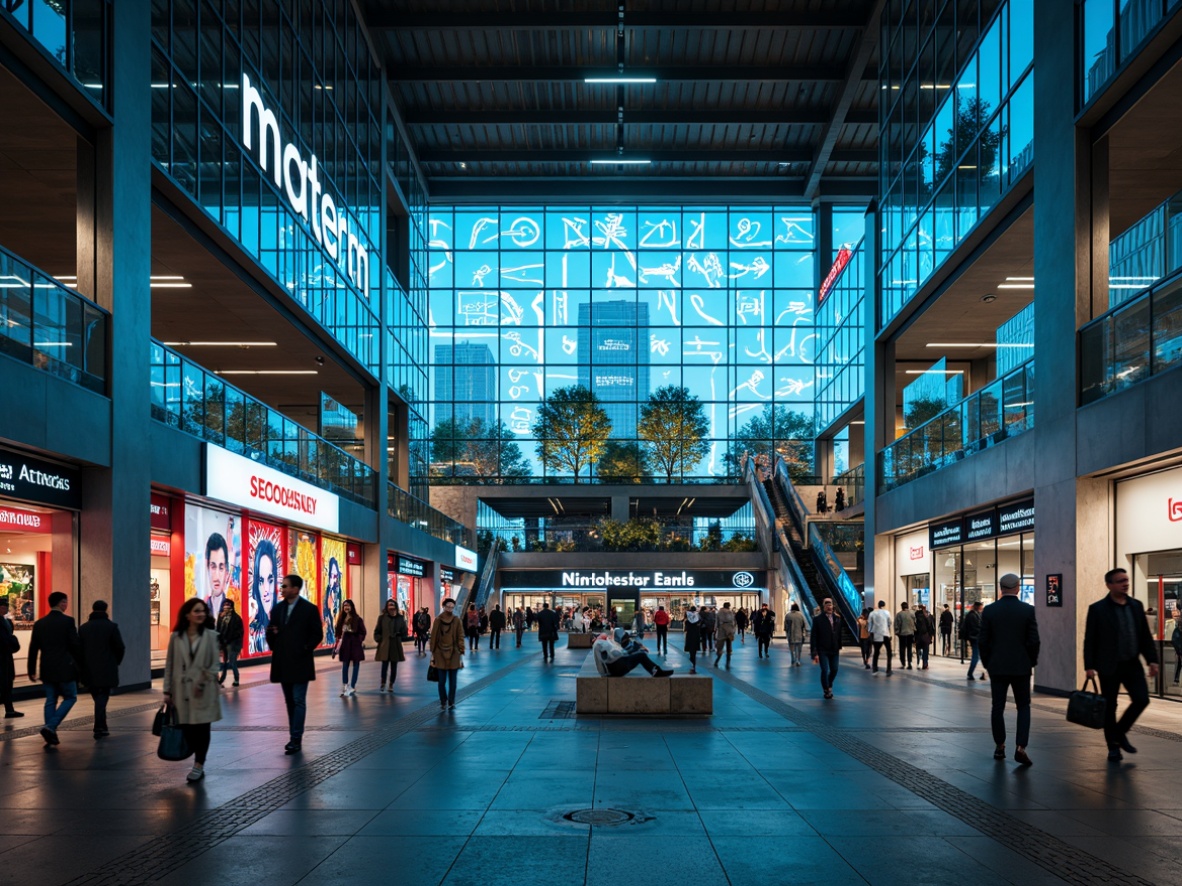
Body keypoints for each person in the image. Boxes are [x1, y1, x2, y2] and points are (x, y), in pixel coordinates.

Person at [1084, 568, 1160, 762]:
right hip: (1109, 665)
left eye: (1126, 580)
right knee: (1110, 706)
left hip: (1132, 664)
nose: (1125, 583)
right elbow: (1090, 639)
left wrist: (1152, 660)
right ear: (1109, 585)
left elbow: (1144, 637)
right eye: (1120, 581)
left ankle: (1119, 732)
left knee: (1142, 699)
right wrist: (1089, 666)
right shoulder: (1098, 609)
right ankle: (1113, 748)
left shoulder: (1136, 606)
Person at [979, 573, 1039, 766]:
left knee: (998, 707)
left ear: (1000, 588)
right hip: (1021, 667)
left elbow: (983, 641)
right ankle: (1021, 747)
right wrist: (1030, 661)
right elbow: (1034, 641)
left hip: (997, 667)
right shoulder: (1027, 610)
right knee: (1023, 706)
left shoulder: (989, 610)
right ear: (1018, 588)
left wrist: (988, 663)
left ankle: (1000, 746)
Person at [162, 598, 221, 782]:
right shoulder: (176, 637)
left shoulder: (211, 636)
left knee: (202, 729)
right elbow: (170, 664)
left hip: (204, 691)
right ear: (187, 614)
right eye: (197, 611)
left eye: (203, 611)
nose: (201, 614)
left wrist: (203, 680)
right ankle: (196, 758)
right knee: (187, 727)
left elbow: (214, 665)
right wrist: (167, 690)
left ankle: (198, 765)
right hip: (182, 691)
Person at [267, 573, 323, 755]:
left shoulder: (309, 609)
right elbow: (271, 631)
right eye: (282, 586)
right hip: (283, 661)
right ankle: (294, 735)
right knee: (290, 700)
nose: (282, 589)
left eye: (285, 586)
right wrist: (273, 639)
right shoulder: (277, 609)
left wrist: (305, 648)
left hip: (300, 661)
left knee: (298, 700)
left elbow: (317, 634)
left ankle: (295, 739)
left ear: (295, 589)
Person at [26, 591, 80, 746]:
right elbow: (75, 645)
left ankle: (50, 733)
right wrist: (81, 664)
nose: (66, 604)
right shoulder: (68, 621)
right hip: (64, 667)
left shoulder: (40, 623)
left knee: (51, 699)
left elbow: (33, 648)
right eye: (65, 601)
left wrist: (31, 670)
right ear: (61, 603)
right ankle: (50, 726)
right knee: (70, 697)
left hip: (46, 668)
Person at [77, 600, 125, 739]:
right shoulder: (111, 627)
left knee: (97, 696)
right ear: (106, 610)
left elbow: (79, 649)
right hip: (106, 667)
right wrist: (115, 662)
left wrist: (81, 665)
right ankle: (99, 727)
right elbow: (120, 647)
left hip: (88, 668)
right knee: (102, 696)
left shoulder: (83, 628)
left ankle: (101, 726)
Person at [429, 598, 464, 708]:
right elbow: (433, 637)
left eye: (451, 607)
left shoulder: (454, 620)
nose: (449, 609)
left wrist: (461, 651)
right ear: (443, 607)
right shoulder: (439, 620)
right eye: (448, 607)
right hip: (442, 654)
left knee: (450, 681)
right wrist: (433, 654)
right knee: (443, 681)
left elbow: (460, 637)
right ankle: (445, 701)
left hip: (451, 653)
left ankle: (449, 701)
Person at [591, 632, 673, 677]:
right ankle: (657, 672)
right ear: (596, 638)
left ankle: (657, 671)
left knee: (640, 655)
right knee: (641, 655)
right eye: (600, 634)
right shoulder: (600, 643)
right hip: (617, 667)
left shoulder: (600, 644)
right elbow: (614, 654)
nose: (603, 633)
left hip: (616, 666)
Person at [248, 539, 279, 654]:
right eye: (261, 581)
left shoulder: (281, 617)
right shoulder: (254, 626)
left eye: (270, 580)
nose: (266, 590)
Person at [810, 597, 843, 699]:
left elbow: (839, 634)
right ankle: (826, 689)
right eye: (827, 604)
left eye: (830, 604)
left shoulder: (837, 618)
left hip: (834, 649)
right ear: (823, 606)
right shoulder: (817, 620)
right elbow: (814, 636)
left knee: (834, 669)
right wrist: (814, 653)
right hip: (822, 649)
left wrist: (839, 645)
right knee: (824, 670)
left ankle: (829, 683)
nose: (829, 606)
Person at [334, 599, 367, 697]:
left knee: (356, 664)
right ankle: (345, 685)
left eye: (348, 606)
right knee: (345, 665)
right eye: (344, 606)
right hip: (345, 645)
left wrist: (358, 640)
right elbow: (338, 631)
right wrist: (338, 640)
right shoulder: (341, 619)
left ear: (352, 607)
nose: (346, 608)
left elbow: (363, 632)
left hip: (355, 645)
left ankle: (352, 685)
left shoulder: (357, 619)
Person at [374, 599, 407, 692]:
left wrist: (400, 634)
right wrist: (379, 639)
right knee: (384, 665)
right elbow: (377, 631)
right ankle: (383, 682)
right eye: (389, 605)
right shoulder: (382, 618)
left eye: (393, 605)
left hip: (395, 645)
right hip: (385, 645)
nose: (391, 607)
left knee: (394, 666)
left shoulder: (400, 618)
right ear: (387, 607)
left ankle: (391, 684)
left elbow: (404, 631)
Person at [0, 598, 21, 718]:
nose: (5, 608)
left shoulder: (7, 621)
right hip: (2, 656)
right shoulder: (3, 622)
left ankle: (10, 709)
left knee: (7, 682)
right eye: (3, 606)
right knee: (4, 682)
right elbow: (6, 639)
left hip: (6, 656)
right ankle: (9, 709)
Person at [216, 599, 244, 686]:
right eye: (224, 605)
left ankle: (236, 679)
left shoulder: (236, 618)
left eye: (228, 605)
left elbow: (239, 632)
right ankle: (221, 680)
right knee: (224, 663)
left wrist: (230, 639)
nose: (226, 607)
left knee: (232, 662)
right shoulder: (221, 617)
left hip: (233, 644)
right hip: (224, 643)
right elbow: (218, 630)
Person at [203, 532, 231, 616]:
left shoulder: (232, 612)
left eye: (221, 568)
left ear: (226, 571)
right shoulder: (201, 611)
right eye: (213, 567)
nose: (217, 576)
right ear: (207, 567)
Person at [867, 600, 892, 675]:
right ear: (884, 605)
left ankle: (875, 668)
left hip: (876, 634)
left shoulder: (872, 613)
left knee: (876, 652)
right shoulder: (887, 612)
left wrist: (870, 631)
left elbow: (869, 623)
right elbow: (889, 622)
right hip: (885, 634)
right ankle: (888, 669)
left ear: (878, 605)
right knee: (889, 652)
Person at [322, 556, 342, 646]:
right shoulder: (327, 593)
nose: (333, 579)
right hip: (329, 627)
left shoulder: (338, 592)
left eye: (335, 576)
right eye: (332, 575)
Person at [964, 601, 985, 680]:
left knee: (977, 656)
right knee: (976, 656)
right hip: (975, 638)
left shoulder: (974, 614)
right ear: (978, 607)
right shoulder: (972, 615)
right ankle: (970, 673)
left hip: (975, 638)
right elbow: (975, 627)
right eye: (981, 606)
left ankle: (973, 673)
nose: (982, 608)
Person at [714, 602, 737, 667]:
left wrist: (715, 629)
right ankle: (728, 663)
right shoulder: (730, 612)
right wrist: (733, 631)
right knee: (729, 647)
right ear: (728, 606)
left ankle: (717, 660)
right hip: (729, 631)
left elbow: (716, 622)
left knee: (720, 646)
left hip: (721, 630)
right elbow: (733, 622)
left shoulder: (719, 612)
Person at [895, 601, 916, 669]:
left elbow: (896, 624)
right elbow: (915, 622)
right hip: (910, 633)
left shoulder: (899, 614)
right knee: (909, 649)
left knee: (902, 649)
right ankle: (909, 663)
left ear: (902, 607)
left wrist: (897, 632)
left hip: (902, 634)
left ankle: (903, 663)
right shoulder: (912, 613)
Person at [913, 604, 933, 669]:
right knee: (925, 649)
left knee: (918, 649)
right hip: (925, 635)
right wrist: (930, 635)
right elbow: (930, 626)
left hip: (918, 635)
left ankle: (918, 662)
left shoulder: (915, 616)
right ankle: (925, 663)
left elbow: (914, 626)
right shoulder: (927, 615)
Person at [683, 606, 702, 674]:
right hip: (696, 636)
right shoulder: (698, 619)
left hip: (689, 636)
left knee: (691, 652)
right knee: (694, 651)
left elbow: (686, 627)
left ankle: (692, 664)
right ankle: (694, 665)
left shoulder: (687, 620)